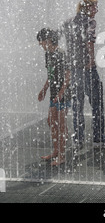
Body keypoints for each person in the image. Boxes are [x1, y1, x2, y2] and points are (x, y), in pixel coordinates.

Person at [59, 0, 105, 149]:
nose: (96, 10)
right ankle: (98, 139)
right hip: (87, 69)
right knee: (97, 104)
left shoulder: (68, 21)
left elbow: (63, 41)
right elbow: (89, 41)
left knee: (77, 106)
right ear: (87, 7)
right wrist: (91, 61)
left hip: (74, 69)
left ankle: (78, 140)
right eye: (94, 7)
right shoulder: (89, 21)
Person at [37, 28, 71, 166]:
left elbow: (68, 75)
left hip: (64, 93)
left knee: (61, 125)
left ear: (49, 39)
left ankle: (62, 156)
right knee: (51, 121)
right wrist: (44, 90)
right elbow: (51, 75)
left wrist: (61, 94)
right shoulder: (48, 54)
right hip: (54, 93)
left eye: (41, 41)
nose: (40, 44)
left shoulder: (61, 54)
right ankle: (56, 151)